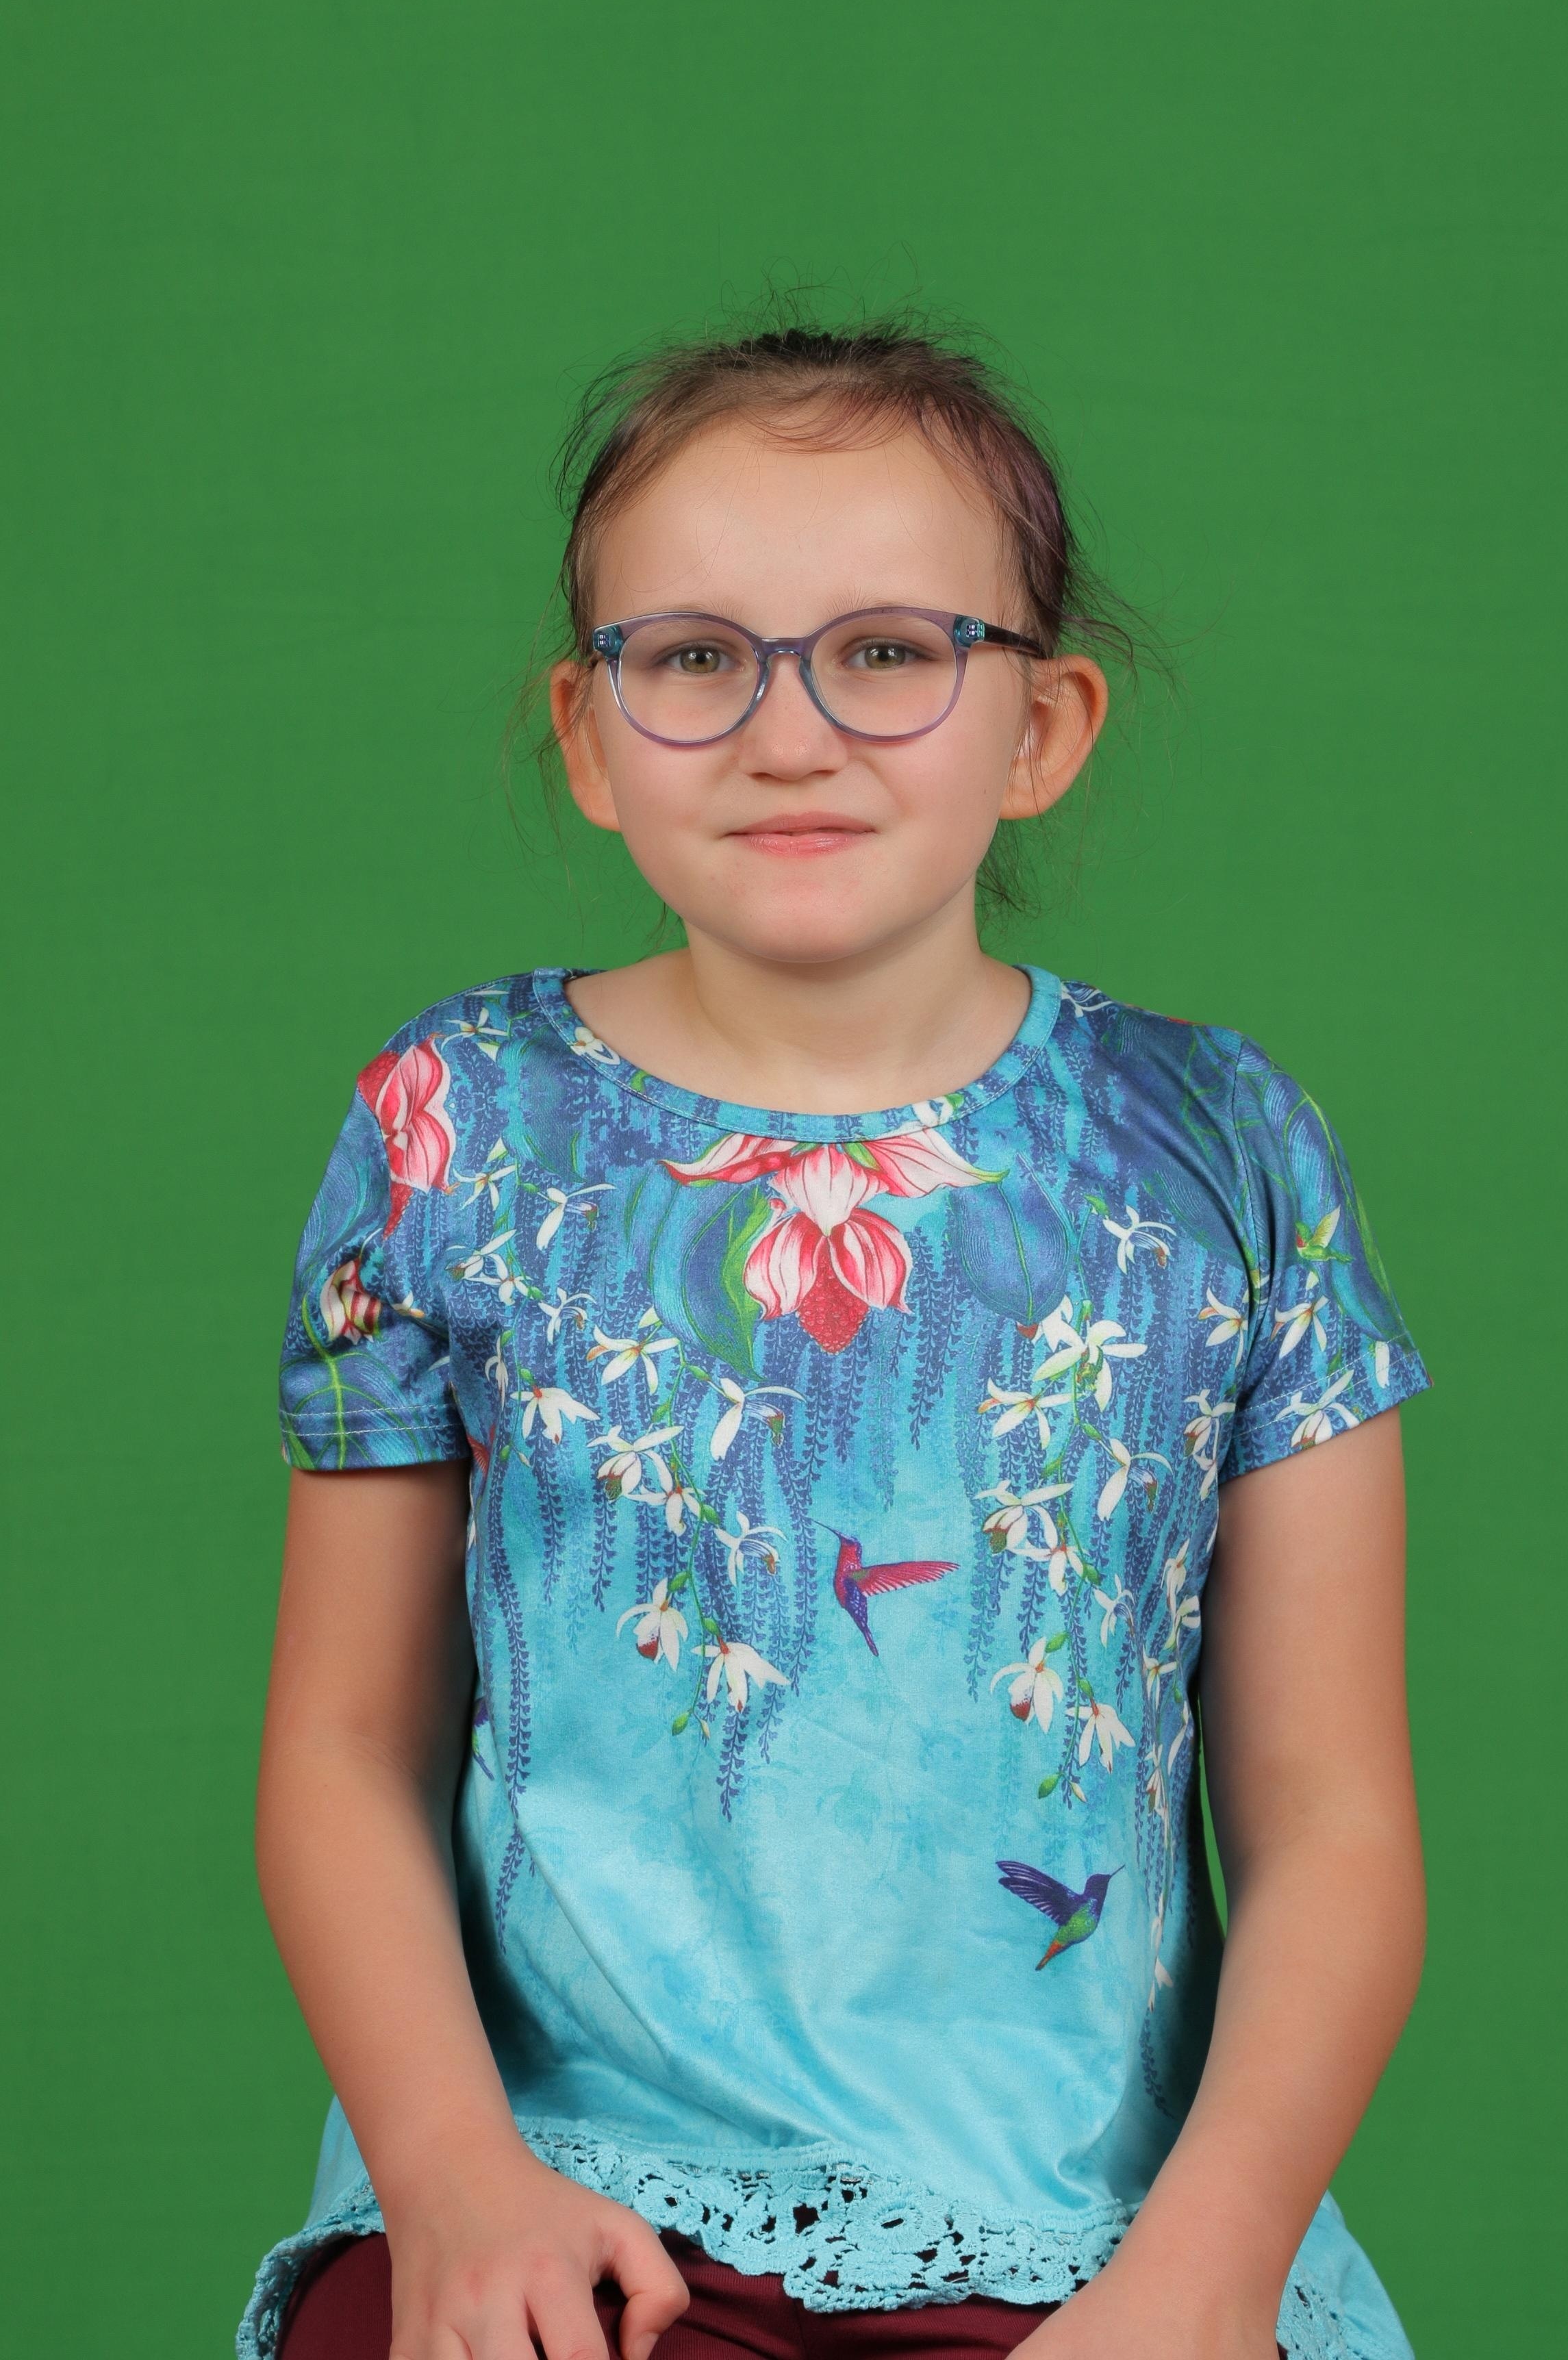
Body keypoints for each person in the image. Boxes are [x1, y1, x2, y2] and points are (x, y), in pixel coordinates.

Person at [240, 318, 1430, 2360]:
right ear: (590, 732)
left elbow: (1330, 1818)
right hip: (571, 2196)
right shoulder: (455, 1126)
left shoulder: (1223, 1152)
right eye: (697, 657)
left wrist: (1209, 2273)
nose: (789, 734)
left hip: (1082, 2234)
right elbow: (347, 1748)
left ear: (1043, 724)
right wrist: (447, 2179)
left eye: (888, 651)